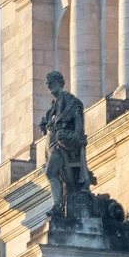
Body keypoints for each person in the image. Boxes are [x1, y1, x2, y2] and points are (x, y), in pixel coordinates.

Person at [40, 70, 90, 213]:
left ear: (60, 83)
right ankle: (60, 204)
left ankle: (57, 206)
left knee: (50, 173)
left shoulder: (70, 101)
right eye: (48, 83)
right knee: (56, 175)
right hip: (52, 145)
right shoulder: (53, 107)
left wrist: (75, 136)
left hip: (63, 144)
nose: (49, 85)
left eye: (52, 82)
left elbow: (78, 120)